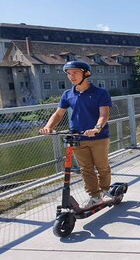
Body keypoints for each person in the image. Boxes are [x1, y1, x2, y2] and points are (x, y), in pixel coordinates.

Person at [39, 61, 112, 209]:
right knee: (86, 169)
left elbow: (104, 115)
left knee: (102, 166)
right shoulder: (68, 94)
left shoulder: (100, 93)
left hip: (98, 137)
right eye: (68, 74)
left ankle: (105, 191)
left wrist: (96, 128)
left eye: (75, 73)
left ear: (86, 73)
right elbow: (58, 114)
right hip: (77, 137)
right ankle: (94, 196)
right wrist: (48, 126)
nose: (71, 76)